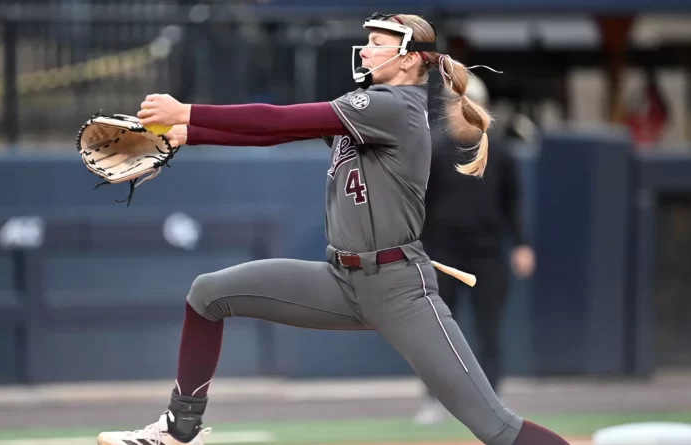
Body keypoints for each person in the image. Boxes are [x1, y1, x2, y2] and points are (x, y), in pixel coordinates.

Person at [96, 13, 570, 445]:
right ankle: (179, 431)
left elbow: (276, 118)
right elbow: (275, 133)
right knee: (207, 295)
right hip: (341, 280)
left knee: (496, 427)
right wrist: (186, 135)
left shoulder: (394, 105)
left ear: (409, 61)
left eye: (378, 42)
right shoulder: (371, 106)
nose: (365, 50)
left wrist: (188, 113)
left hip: (397, 290)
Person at [413, 76, 536, 426]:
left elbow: (513, 202)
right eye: (455, 104)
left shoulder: (501, 153)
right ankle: (433, 400)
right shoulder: (433, 151)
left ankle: (492, 402)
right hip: (442, 254)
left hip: (488, 254)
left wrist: (522, 244)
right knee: (436, 332)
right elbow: (420, 205)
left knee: (489, 330)